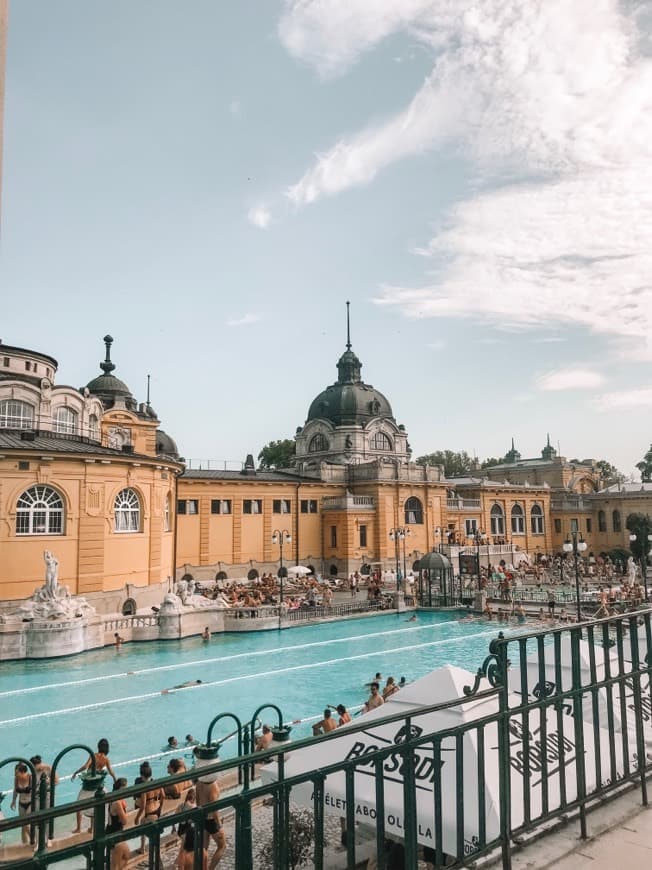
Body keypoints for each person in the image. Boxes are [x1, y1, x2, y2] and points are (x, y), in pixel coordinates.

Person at [72, 738, 117, 833]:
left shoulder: (94, 755)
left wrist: (76, 772)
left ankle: (79, 828)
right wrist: (114, 779)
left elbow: (85, 767)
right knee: (94, 805)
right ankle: (91, 828)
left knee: (78, 805)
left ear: (98, 746)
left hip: (88, 785)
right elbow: (110, 771)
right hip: (97, 785)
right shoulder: (106, 759)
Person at [196, 776, 226, 869]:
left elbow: (198, 802)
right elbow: (214, 809)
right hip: (211, 820)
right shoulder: (213, 786)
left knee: (204, 848)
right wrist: (219, 825)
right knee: (222, 846)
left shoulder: (198, 783)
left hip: (202, 818)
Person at [134, 761, 165, 854]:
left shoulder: (144, 789)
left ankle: (142, 848)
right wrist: (160, 808)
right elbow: (163, 795)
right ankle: (146, 848)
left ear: (142, 775)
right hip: (157, 810)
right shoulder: (157, 783)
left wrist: (137, 817)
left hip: (149, 813)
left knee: (142, 826)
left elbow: (143, 806)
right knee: (152, 833)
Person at [107, 779, 130, 870]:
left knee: (125, 856)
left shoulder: (113, 798)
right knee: (116, 864)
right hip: (115, 834)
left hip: (115, 831)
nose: (125, 791)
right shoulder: (117, 803)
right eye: (124, 789)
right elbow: (124, 821)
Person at [11, 763, 32, 844]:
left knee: (26, 824)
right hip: (21, 803)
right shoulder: (16, 779)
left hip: (30, 803)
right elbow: (15, 790)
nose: (15, 774)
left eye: (16, 772)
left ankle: (34, 841)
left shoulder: (31, 777)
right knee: (23, 825)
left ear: (22, 772)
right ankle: (24, 844)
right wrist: (13, 801)